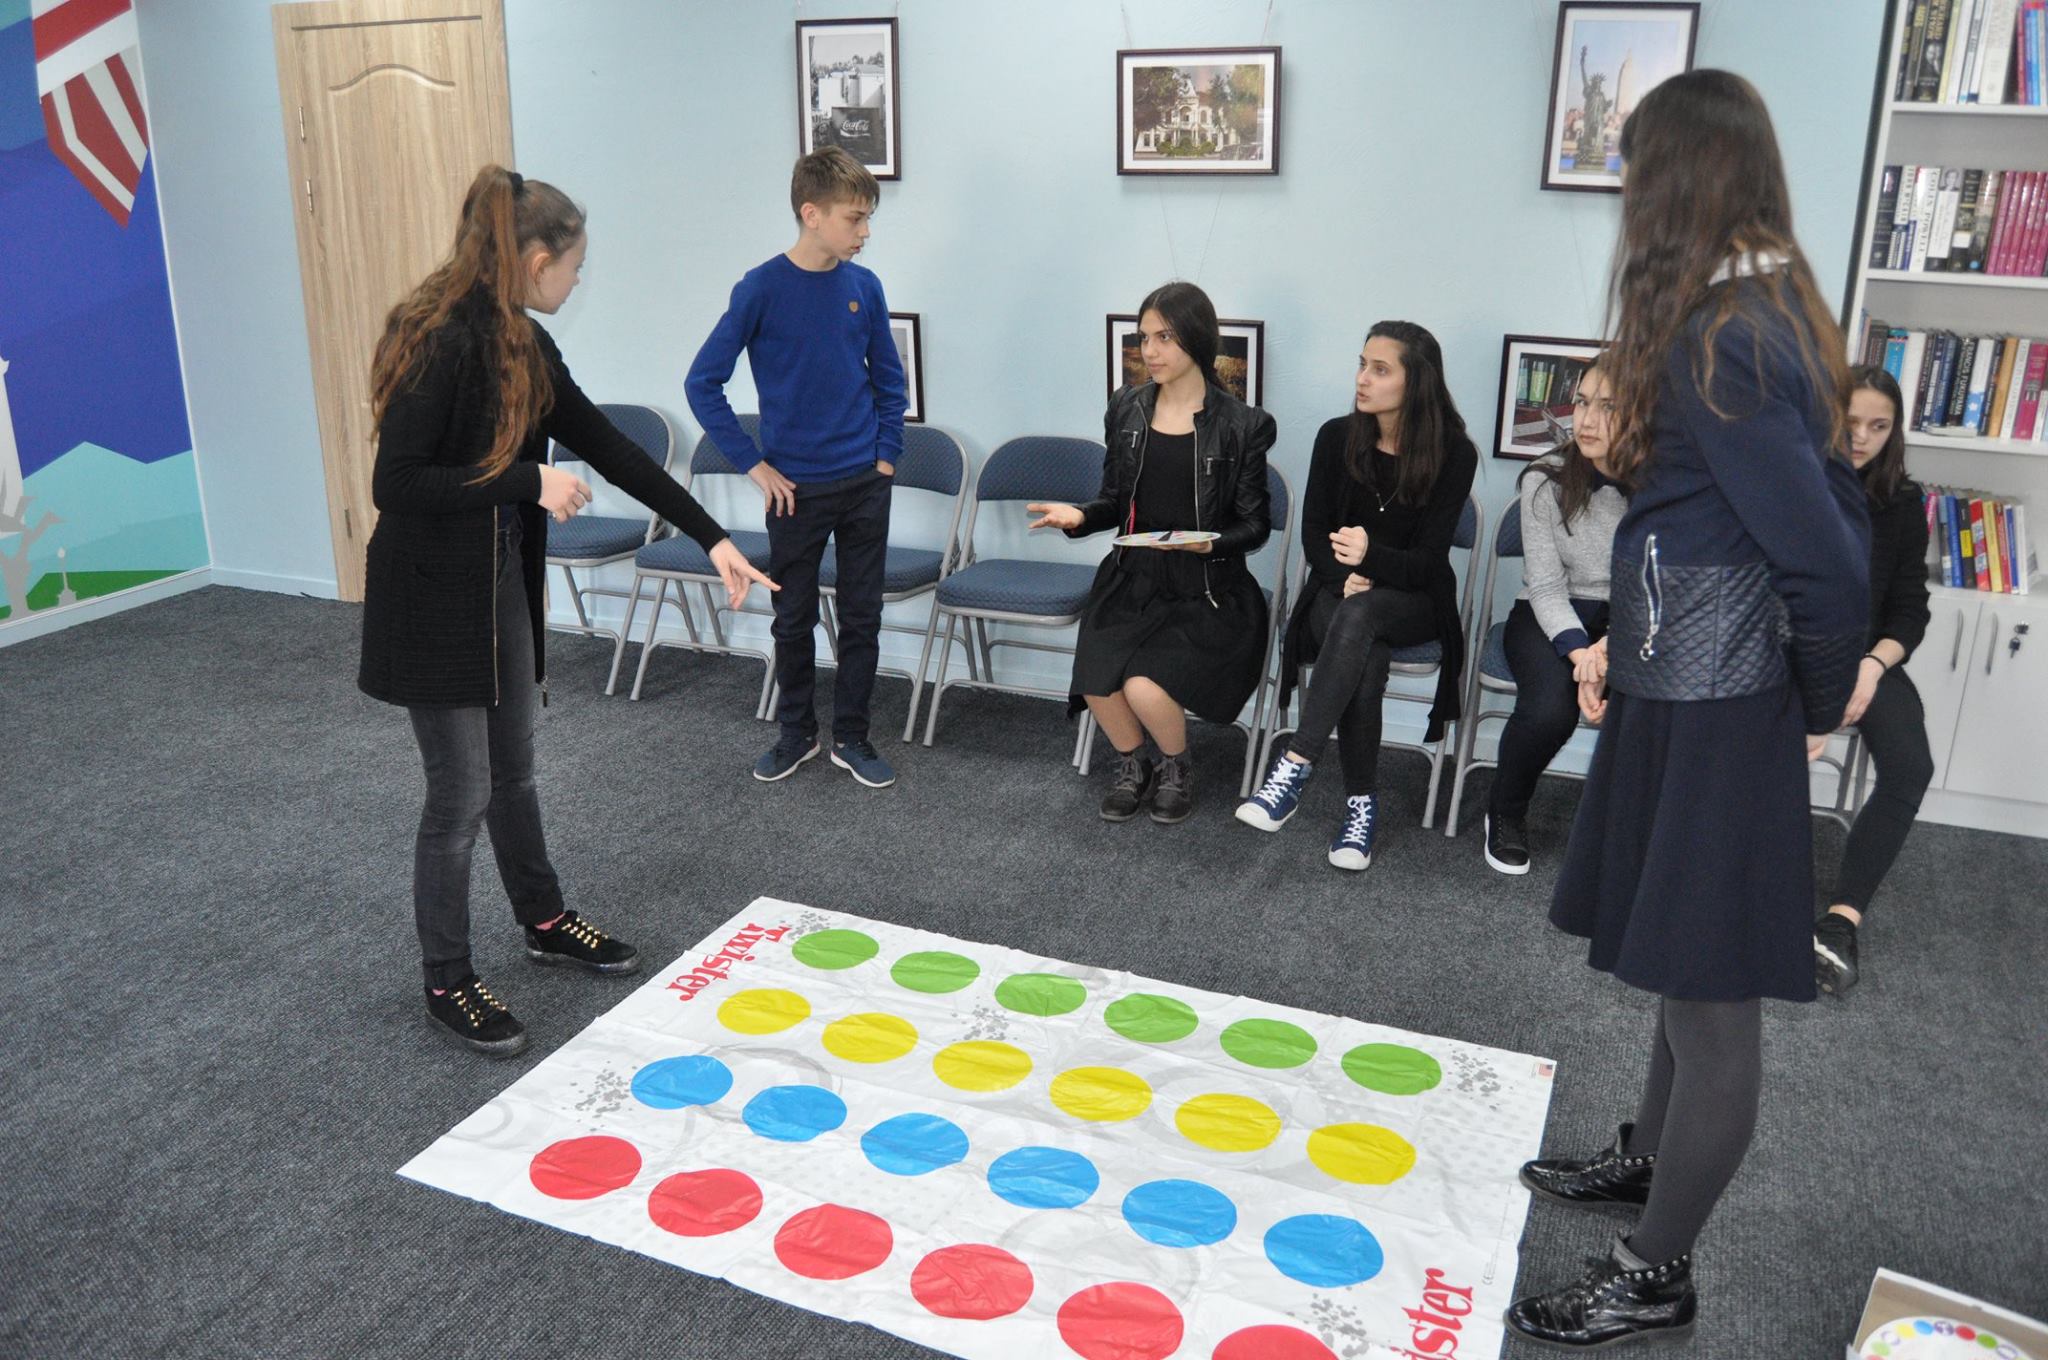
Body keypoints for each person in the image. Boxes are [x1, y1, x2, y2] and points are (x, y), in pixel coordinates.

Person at [1507, 72, 1870, 1349]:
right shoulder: (1749, 311)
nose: (1622, 193)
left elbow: (1824, 559)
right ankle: (1650, 1161)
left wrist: (1809, 703)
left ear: (1679, 180)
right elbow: (1713, 529)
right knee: (1675, 960)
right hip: (1688, 691)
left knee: (1710, 1006)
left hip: (1721, 710)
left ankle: (1652, 1271)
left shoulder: (1728, 334)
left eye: (1634, 169)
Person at [359, 165, 774, 1057]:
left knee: (513, 769)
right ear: (535, 259)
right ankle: (446, 978)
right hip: (428, 593)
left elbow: (611, 447)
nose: (578, 281)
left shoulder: (525, 343)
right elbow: (398, 484)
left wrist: (712, 537)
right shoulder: (437, 337)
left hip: (495, 579)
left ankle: (543, 921)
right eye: (574, 265)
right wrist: (526, 481)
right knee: (460, 793)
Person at [686, 146, 907, 789]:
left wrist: (886, 457)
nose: (865, 232)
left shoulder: (865, 287)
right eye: (855, 218)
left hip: (865, 483)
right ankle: (797, 734)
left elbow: (890, 382)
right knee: (793, 619)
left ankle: (853, 738)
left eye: (868, 219)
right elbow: (702, 383)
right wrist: (754, 465)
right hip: (794, 492)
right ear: (812, 214)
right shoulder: (759, 288)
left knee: (862, 617)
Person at [1025, 282, 1275, 823]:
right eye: (1144, 338)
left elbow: (1256, 526)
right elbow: (1115, 501)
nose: (1150, 351)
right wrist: (1080, 516)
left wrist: (1210, 541)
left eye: (1165, 337)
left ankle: (1176, 766)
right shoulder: (1127, 408)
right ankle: (1134, 763)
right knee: (1096, 676)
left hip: (1208, 587)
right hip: (1132, 576)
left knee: (1143, 686)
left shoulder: (1243, 425)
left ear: (1197, 340)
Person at [1234, 321, 1476, 871]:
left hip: (1415, 598)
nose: (1363, 378)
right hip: (1337, 588)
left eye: (1380, 369)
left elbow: (1427, 562)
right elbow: (1314, 532)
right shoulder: (1335, 437)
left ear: (1417, 382)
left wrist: (1369, 557)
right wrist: (1342, 574)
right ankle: (1360, 807)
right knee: (1363, 648)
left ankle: (1295, 763)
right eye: (1362, 364)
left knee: (1362, 615)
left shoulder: (1455, 454)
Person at [1813, 365, 1933, 996]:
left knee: (1911, 767)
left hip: (1871, 659)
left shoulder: (1904, 502)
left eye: (1879, 426)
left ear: (1895, 432)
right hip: (1796, 653)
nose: (1862, 437)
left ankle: (1840, 923)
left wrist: (1873, 664)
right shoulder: (1796, 484)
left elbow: (1910, 610)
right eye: (1851, 421)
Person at [1483, 361, 1627, 874]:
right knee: (1549, 711)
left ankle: (1633, 830)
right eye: (1583, 401)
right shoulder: (1545, 479)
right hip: (1549, 615)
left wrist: (1611, 646)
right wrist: (1581, 652)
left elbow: (1661, 586)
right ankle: (1505, 811)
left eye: (1607, 406)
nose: (1586, 418)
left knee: (1650, 711)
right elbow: (1544, 584)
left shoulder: (1668, 486)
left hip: (1633, 622)